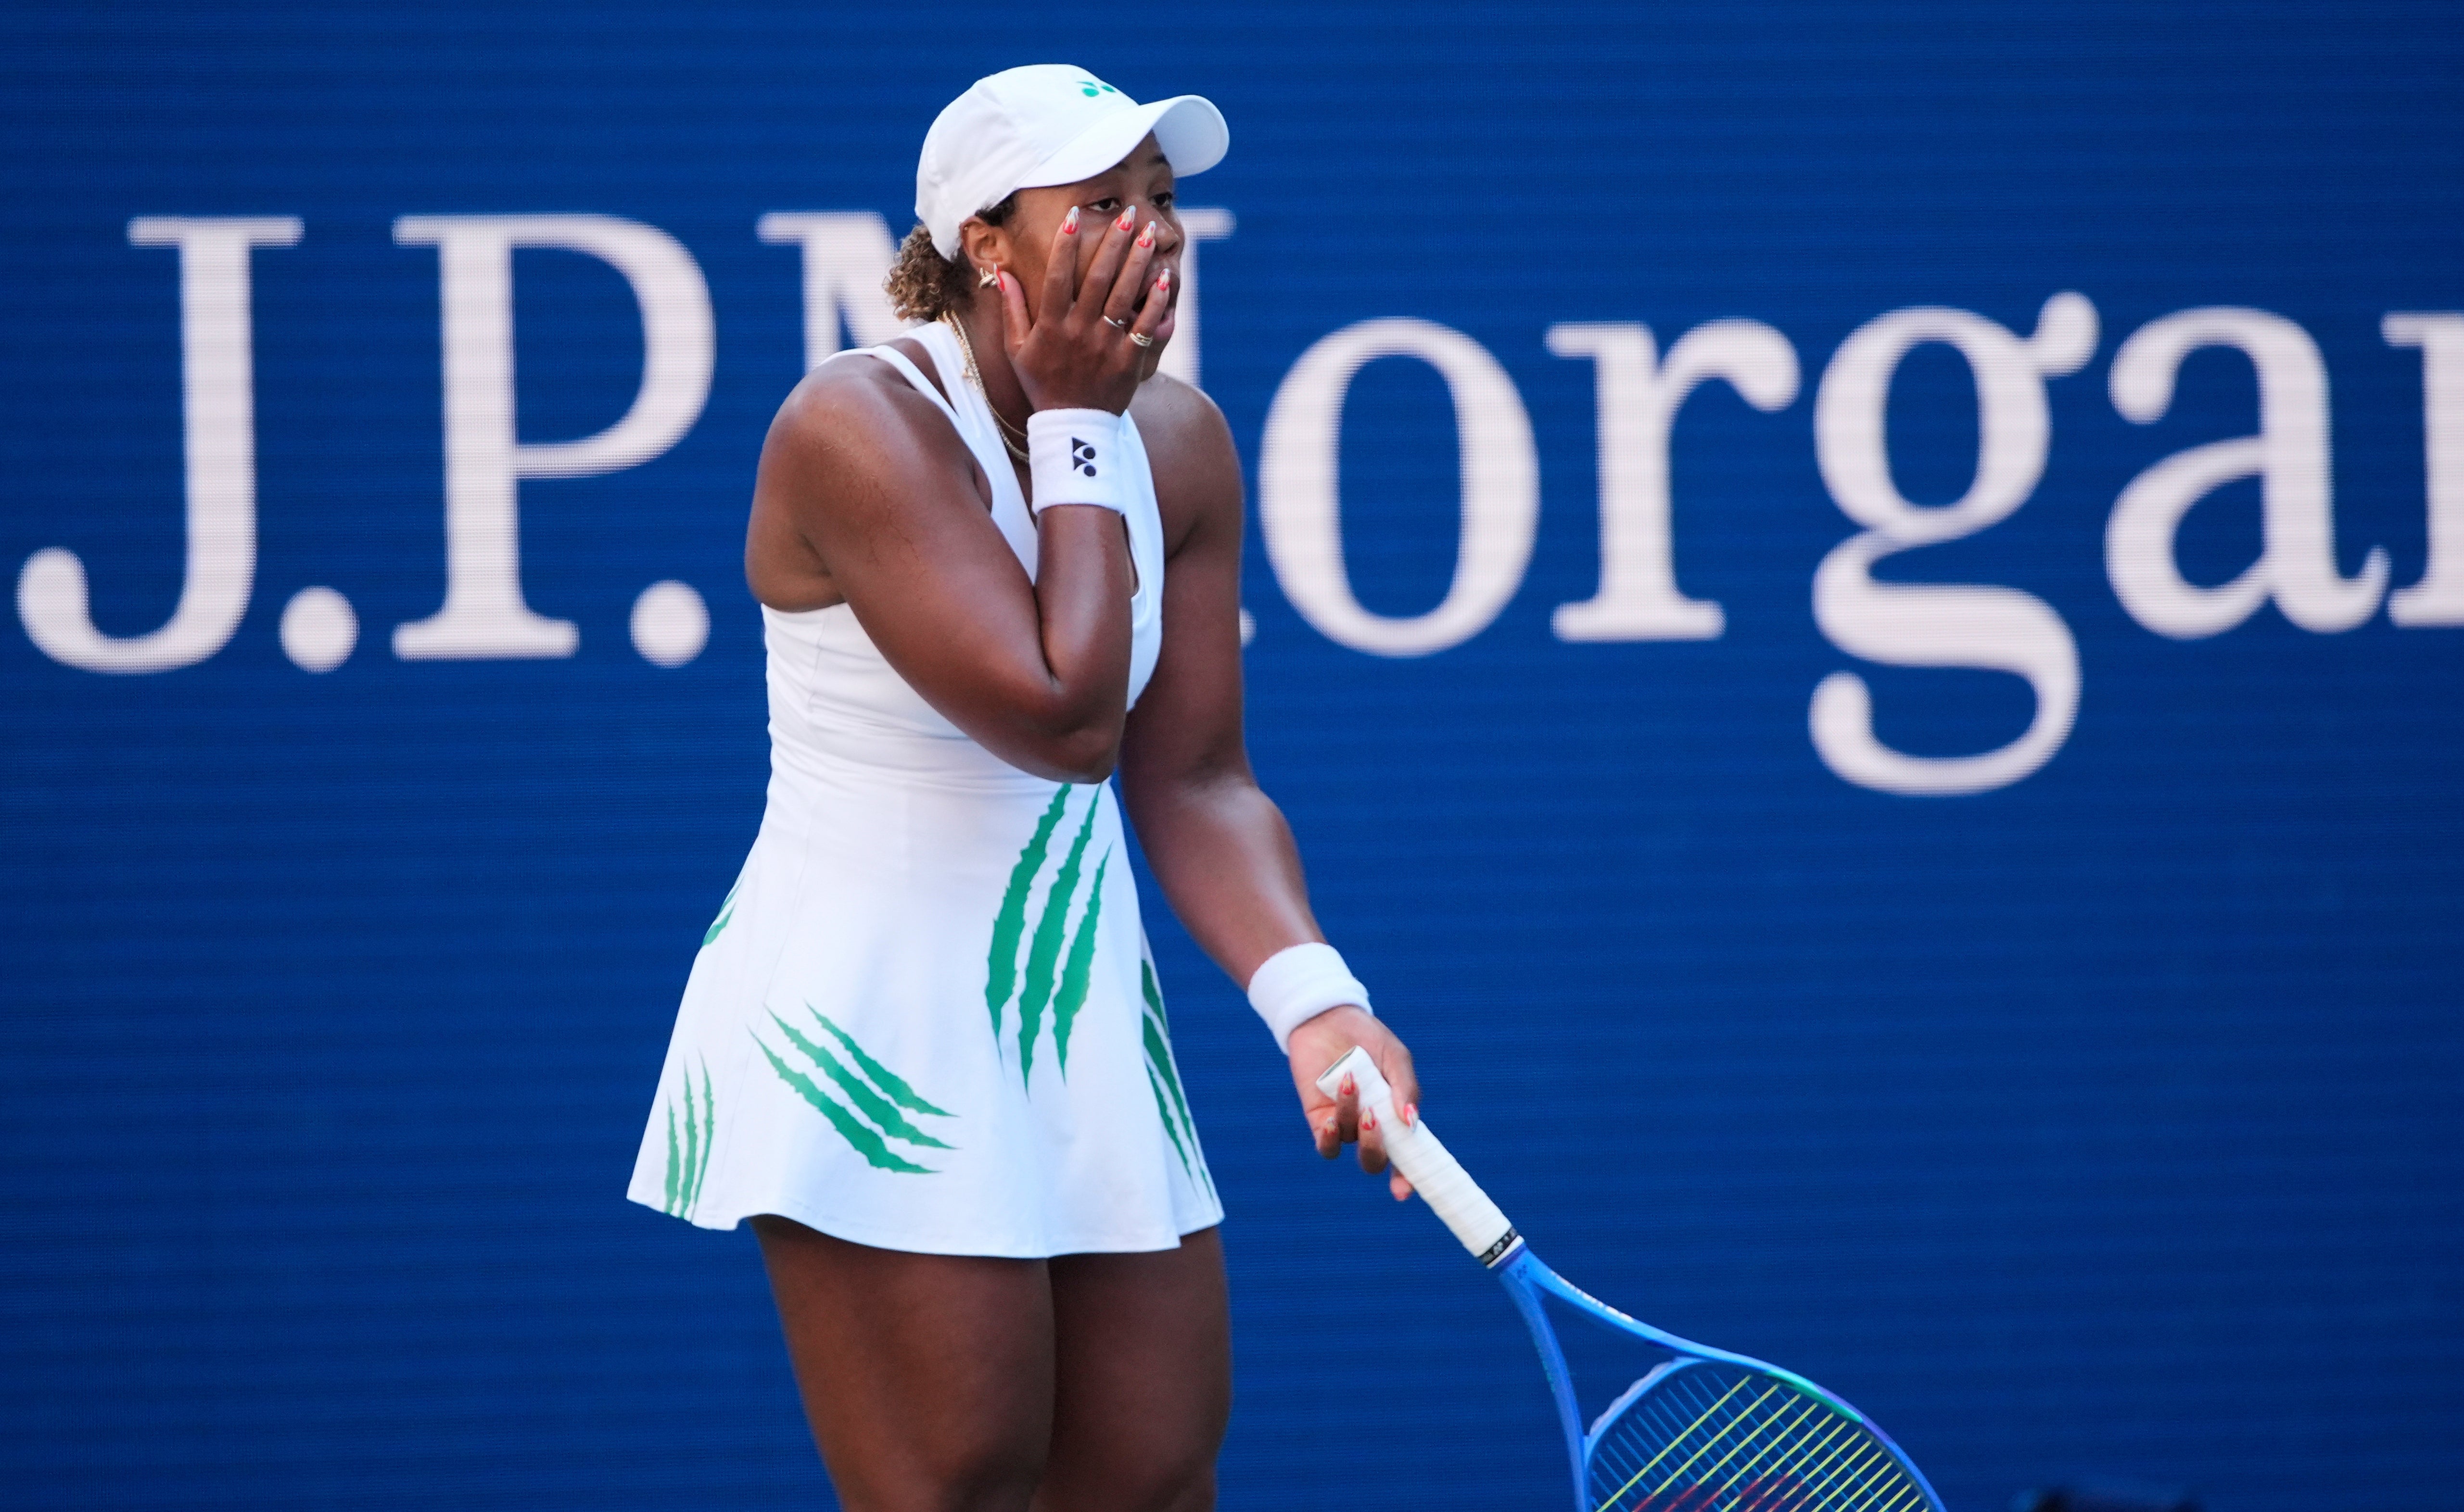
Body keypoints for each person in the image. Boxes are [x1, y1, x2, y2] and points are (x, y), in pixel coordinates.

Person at [628, 64, 1423, 1512]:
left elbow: (1188, 777)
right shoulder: (852, 426)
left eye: (1164, 202)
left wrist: (1315, 999)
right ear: (986, 245)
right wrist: (1072, 423)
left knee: (1153, 1471)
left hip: (1079, 1010)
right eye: (1100, 205)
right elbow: (1061, 723)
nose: (1153, 234)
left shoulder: (1177, 444)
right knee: (960, 1484)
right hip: (868, 1018)